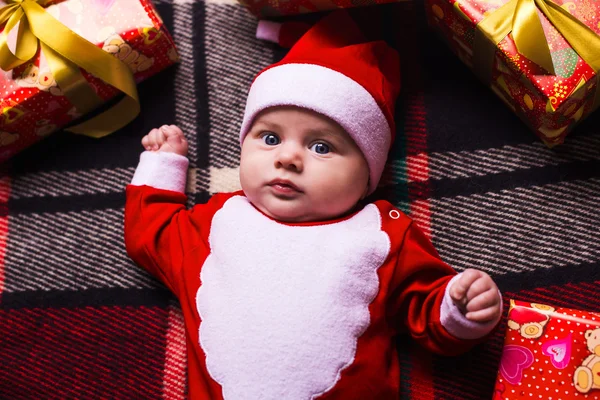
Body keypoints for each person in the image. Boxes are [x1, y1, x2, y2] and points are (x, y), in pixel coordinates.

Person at [124, 11, 502, 400]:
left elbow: (427, 307)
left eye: (321, 147)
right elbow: (150, 233)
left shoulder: (382, 236)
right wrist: (163, 164)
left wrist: (463, 308)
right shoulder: (215, 223)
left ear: (367, 178)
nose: (287, 158)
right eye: (270, 138)